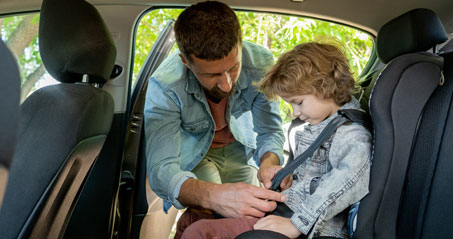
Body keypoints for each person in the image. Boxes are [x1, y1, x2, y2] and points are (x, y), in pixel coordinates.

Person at [181, 42, 372, 239]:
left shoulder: (350, 133)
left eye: (298, 103)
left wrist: (297, 224)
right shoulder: (323, 123)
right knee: (192, 219)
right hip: (287, 208)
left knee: (199, 231)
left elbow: (347, 181)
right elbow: (316, 176)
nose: (295, 113)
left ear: (325, 87)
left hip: (306, 225)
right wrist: (289, 176)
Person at [143, 1, 286, 237]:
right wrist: (214, 196)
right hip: (197, 156)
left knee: (250, 218)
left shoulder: (261, 64)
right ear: (186, 62)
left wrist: (269, 162)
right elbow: (161, 169)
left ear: (240, 44)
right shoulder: (165, 85)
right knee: (211, 215)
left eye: (234, 68)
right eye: (212, 75)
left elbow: (270, 131)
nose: (227, 84)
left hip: (241, 151)